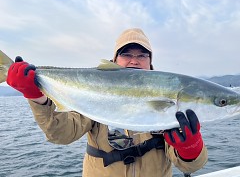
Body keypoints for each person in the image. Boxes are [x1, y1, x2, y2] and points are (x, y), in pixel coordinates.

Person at [7, 28, 208, 177]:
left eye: (142, 55)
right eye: (126, 54)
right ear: (114, 61)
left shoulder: (170, 99)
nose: (134, 60)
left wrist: (190, 148)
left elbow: (190, 166)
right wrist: (36, 96)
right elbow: (61, 134)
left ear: (150, 62)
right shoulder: (94, 93)